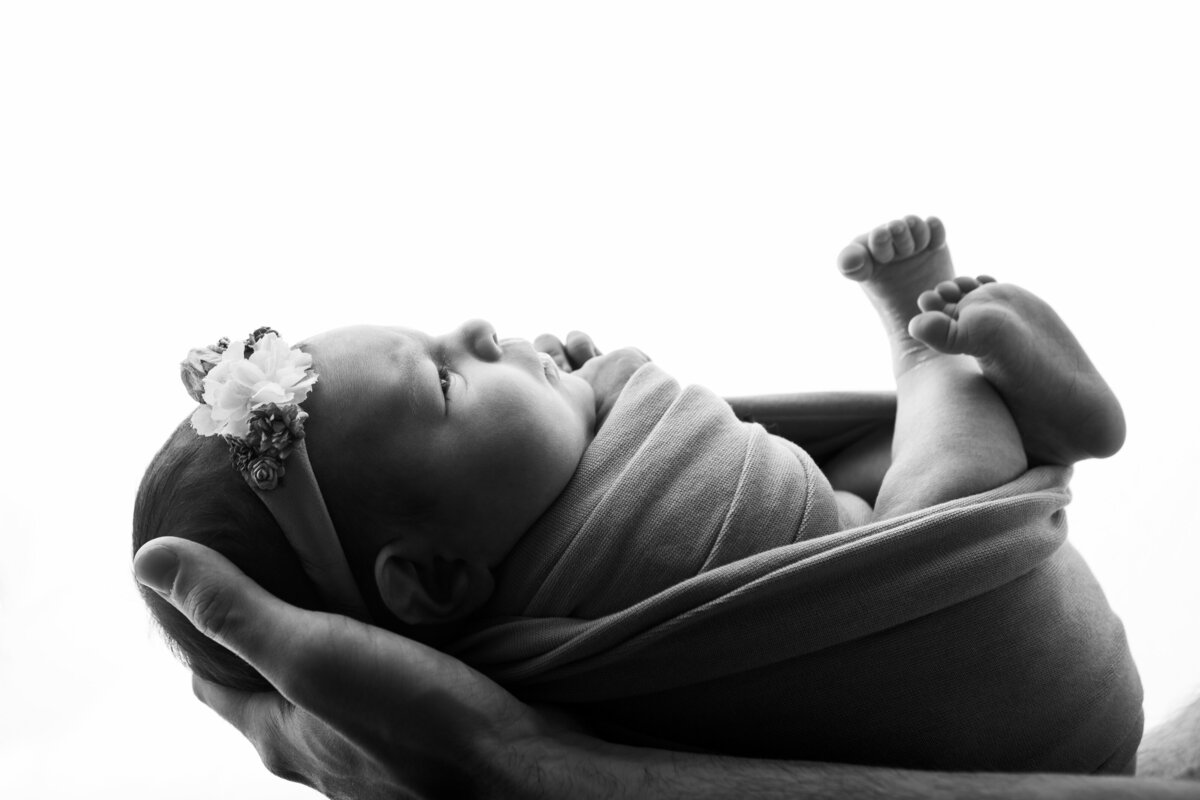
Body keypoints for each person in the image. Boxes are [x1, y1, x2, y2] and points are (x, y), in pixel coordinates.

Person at [133, 215, 1138, 776]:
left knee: (874, 477)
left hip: (1012, 706)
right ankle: (947, 368)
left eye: (442, 333)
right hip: (1004, 662)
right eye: (444, 382)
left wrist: (566, 391)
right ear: (432, 580)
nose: (481, 329)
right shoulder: (606, 573)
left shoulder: (542, 620)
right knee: (931, 479)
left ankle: (975, 396)